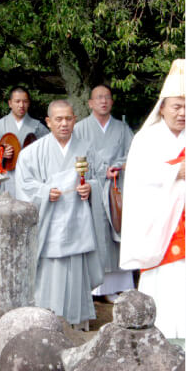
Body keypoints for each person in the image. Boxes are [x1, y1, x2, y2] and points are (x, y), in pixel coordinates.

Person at [15, 99, 107, 329]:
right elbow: (25, 185)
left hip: (78, 223)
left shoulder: (86, 149)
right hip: (49, 225)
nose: (64, 124)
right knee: (49, 273)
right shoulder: (32, 152)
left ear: (75, 119)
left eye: (68, 118)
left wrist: (91, 188)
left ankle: (77, 321)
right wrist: (45, 192)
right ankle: (46, 321)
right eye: (58, 119)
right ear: (48, 122)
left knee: (76, 272)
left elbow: (99, 179)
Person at [120, 59, 185, 339]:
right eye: (177, 106)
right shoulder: (146, 139)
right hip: (160, 226)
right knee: (164, 283)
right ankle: (160, 334)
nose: (182, 113)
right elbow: (138, 179)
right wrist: (175, 171)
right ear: (162, 107)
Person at [75, 84, 135, 303]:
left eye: (107, 97)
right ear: (90, 103)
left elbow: (133, 155)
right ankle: (94, 286)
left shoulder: (122, 128)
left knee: (117, 235)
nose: (103, 101)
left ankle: (118, 286)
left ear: (112, 102)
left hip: (117, 189)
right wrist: (100, 171)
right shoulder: (80, 128)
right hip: (92, 190)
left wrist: (118, 167)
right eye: (98, 97)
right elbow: (76, 158)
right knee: (95, 234)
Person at [0, 86, 49, 198]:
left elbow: (48, 150)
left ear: (29, 103)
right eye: (17, 101)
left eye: (25, 101)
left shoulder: (37, 127)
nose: (21, 105)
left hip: (30, 176)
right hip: (7, 178)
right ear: (10, 103)